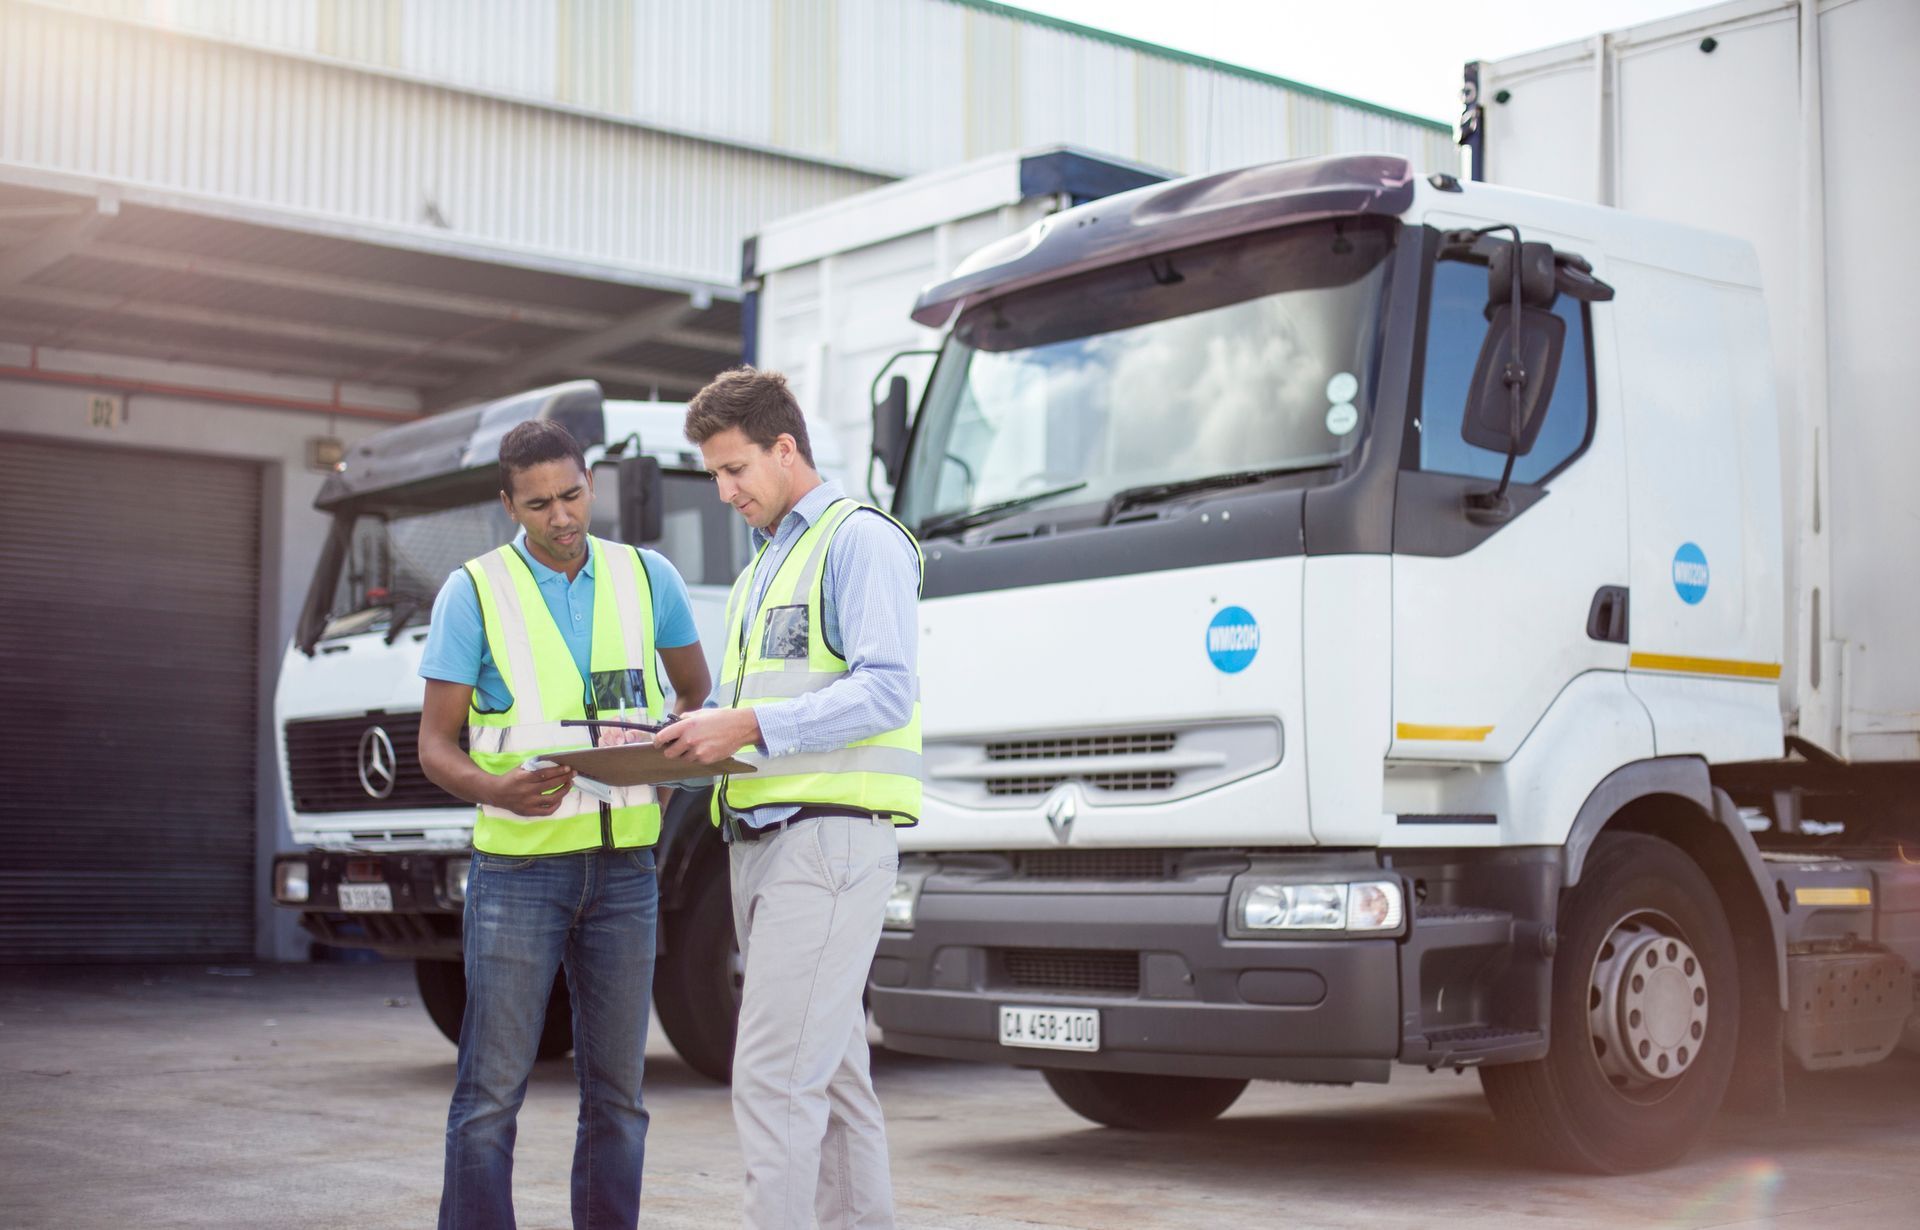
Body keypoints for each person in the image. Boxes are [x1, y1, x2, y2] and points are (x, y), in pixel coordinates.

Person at [416, 418, 711, 1230]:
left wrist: (664, 771)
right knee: (490, 1094)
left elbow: (696, 696)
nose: (561, 516)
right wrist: (496, 789)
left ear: (591, 482)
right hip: (520, 872)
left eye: (573, 495)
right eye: (539, 503)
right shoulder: (472, 592)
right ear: (508, 503)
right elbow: (435, 746)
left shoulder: (649, 579)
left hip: (626, 873)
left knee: (619, 1097)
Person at [655, 367, 921, 1230]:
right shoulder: (765, 567)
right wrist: (681, 734)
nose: (725, 492)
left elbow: (888, 691)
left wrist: (749, 724)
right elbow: (748, 716)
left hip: (828, 844)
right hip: (766, 845)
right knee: (832, 1085)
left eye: (735, 471)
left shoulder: (858, 540)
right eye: (714, 477)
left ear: (785, 447)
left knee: (772, 1082)